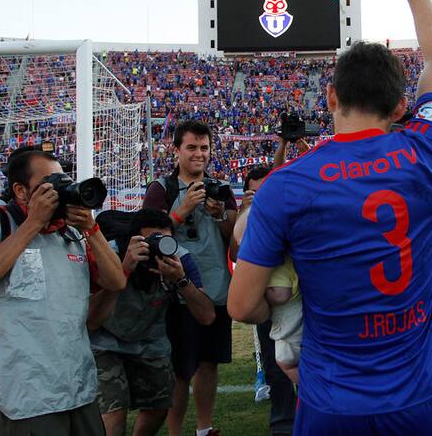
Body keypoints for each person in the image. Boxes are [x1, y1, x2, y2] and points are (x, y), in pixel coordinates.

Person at [229, 0, 432, 435]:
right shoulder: (427, 149)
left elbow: (242, 305)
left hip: (332, 399)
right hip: (419, 395)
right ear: (402, 106)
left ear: (330, 99)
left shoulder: (286, 184)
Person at [0, 150, 126, 435]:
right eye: (48, 184)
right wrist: (33, 223)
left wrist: (90, 228)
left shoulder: (71, 232)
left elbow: (116, 280)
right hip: (23, 392)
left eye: (62, 181)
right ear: (20, 191)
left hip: (77, 384)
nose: (58, 191)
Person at [142, 120, 238, 436]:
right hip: (175, 293)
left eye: (204, 148)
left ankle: (204, 428)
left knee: (209, 363)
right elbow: (147, 237)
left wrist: (219, 214)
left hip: (215, 289)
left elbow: (236, 244)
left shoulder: (221, 189)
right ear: (177, 150)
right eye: (192, 147)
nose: (199, 154)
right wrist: (182, 209)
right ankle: (175, 432)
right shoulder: (161, 189)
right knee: (180, 369)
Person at [87, 208, 215, 436]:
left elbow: (207, 316)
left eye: (164, 240)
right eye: (150, 241)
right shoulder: (112, 252)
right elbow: (92, 321)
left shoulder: (180, 258)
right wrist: (123, 271)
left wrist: (181, 280)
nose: (158, 247)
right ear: (133, 238)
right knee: (113, 412)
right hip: (103, 340)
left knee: (159, 408)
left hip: (149, 339)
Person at [231, 165, 299, 436]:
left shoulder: (282, 226)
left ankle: (309, 403)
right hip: (268, 306)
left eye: (265, 193)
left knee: (289, 358)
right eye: (255, 193)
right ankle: (284, 421)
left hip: (291, 305)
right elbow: (237, 251)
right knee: (276, 361)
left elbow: (241, 306)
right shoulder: (246, 222)